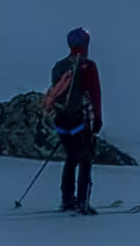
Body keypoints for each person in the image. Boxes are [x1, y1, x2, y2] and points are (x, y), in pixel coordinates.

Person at [45, 26, 105, 213]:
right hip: (82, 120)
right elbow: (94, 94)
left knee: (70, 158)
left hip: (62, 120)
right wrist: (97, 119)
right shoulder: (88, 66)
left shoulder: (59, 66)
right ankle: (83, 202)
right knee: (85, 158)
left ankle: (67, 199)